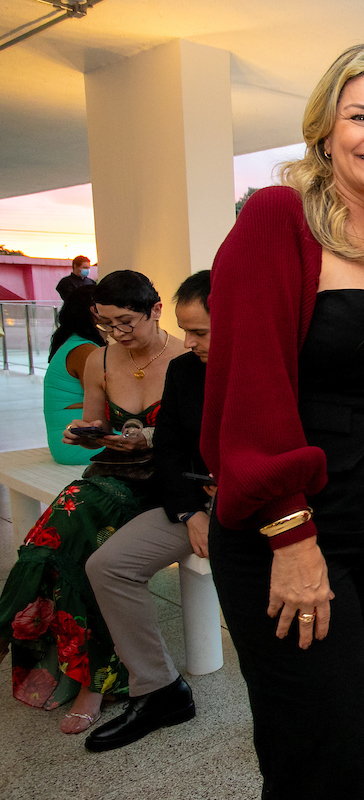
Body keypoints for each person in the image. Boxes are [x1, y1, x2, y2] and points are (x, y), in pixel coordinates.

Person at [200, 43, 364, 799]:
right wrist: (290, 532)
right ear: (325, 132)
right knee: (322, 754)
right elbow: (250, 382)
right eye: (362, 116)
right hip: (295, 525)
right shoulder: (280, 220)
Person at [0, 270, 184, 734]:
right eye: (105, 324)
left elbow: (199, 436)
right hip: (111, 476)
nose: (117, 334)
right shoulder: (100, 360)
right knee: (55, 539)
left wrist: (149, 438)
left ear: (155, 310)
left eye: (126, 322)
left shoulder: (187, 357)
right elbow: (96, 427)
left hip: (161, 482)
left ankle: (91, 681)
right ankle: (90, 673)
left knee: (75, 536)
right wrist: (83, 436)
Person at [83, 270, 214, 752]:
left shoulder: (278, 365)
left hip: (268, 509)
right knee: (109, 565)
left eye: (200, 332)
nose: (190, 342)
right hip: (200, 503)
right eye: (187, 330)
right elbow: (173, 451)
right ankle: (159, 689)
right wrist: (190, 512)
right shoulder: (186, 370)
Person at [43, 284, 105, 465]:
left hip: (72, 441)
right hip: (77, 444)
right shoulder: (84, 350)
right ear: (95, 311)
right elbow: (109, 397)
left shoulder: (75, 342)